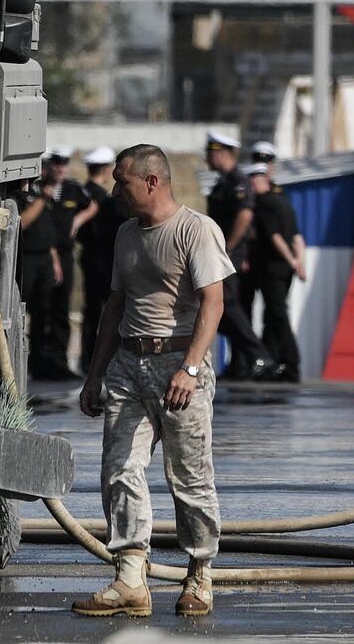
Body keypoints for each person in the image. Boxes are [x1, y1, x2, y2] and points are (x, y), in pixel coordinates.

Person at [73, 145, 228, 619]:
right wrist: (96, 372)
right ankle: (131, 579)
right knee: (119, 468)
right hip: (128, 364)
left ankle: (199, 575)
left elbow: (213, 303)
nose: (115, 189)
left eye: (122, 181)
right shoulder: (124, 233)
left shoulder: (194, 229)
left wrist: (192, 368)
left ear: (152, 181)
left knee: (189, 477)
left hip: (179, 365)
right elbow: (114, 305)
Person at [201, 130, 281, 380]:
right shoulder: (222, 183)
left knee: (228, 305)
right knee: (225, 309)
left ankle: (260, 355)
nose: (207, 157)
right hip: (220, 253)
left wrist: (229, 247)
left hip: (229, 253)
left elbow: (244, 215)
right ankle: (243, 361)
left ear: (222, 153)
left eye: (210, 153)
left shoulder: (238, 181)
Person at [18, 149, 81, 382]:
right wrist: (43, 198)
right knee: (30, 312)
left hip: (46, 257)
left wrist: (54, 260)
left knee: (47, 312)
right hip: (29, 258)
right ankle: (34, 363)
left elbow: (49, 232)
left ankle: (50, 363)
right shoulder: (30, 194)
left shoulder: (54, 191)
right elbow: (23, 222)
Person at [248, 166, 306, 382]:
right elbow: (297, 236)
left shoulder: (265, 203)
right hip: (286, 268)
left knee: (277, 314)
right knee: (272, 315)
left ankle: (291, 363)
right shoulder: (284, 201)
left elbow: (274, 236)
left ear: (261, 180)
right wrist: (299, 263)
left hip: (273, 267)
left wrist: (292, 260)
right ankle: (273, 364)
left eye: (253, 181)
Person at [45, 145, 97, 378]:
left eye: (64, 163)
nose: (60, 168)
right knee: (41, 310)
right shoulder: (41, 188)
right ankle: (42, 362)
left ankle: (60, 362)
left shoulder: (72, 188)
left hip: (65, 255)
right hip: (43, 254)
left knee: (62, 309)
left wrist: (77, 221)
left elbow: (92, 206)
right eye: (56, 163)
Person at [78, 146, 123, 373]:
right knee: (109, 312)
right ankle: (102, 360)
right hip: (106, 262)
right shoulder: (104, 201)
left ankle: (88, 359)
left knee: (92, 313)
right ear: (106, 169)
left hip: (90, 259)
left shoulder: (83, 194)